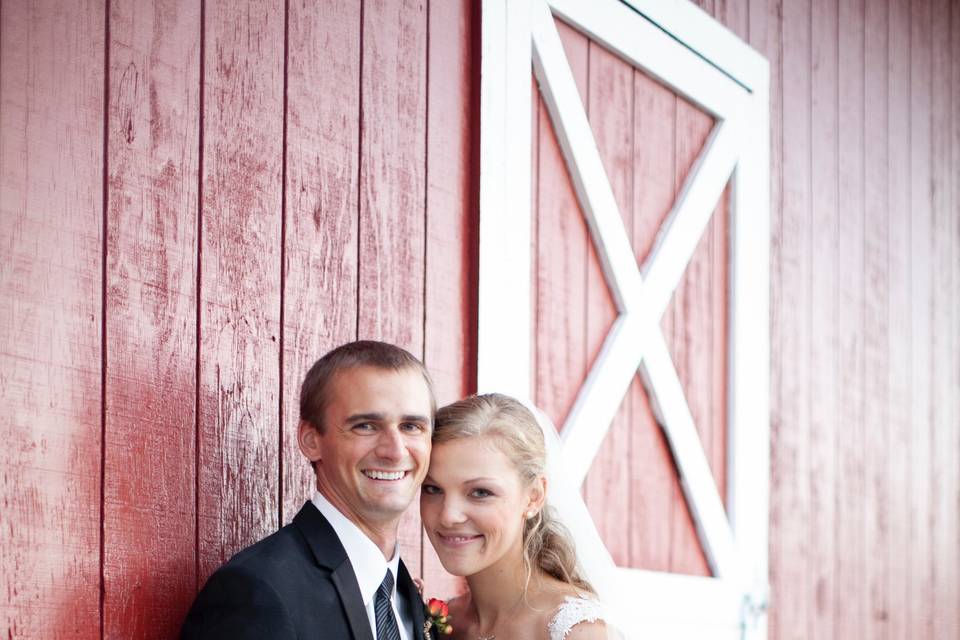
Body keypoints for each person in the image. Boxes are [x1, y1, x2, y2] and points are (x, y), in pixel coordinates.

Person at [182, 340, 435, 639]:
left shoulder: (407, 597)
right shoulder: (258, 591)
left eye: (411, 426)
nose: (394, 451)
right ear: (311, 440)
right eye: (366, 426)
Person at [420, 393, 618, 640]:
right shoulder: (439, 623)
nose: (448, 516)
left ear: (534, 496)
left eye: (480, 492)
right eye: (432, 489)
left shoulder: (577, 631)